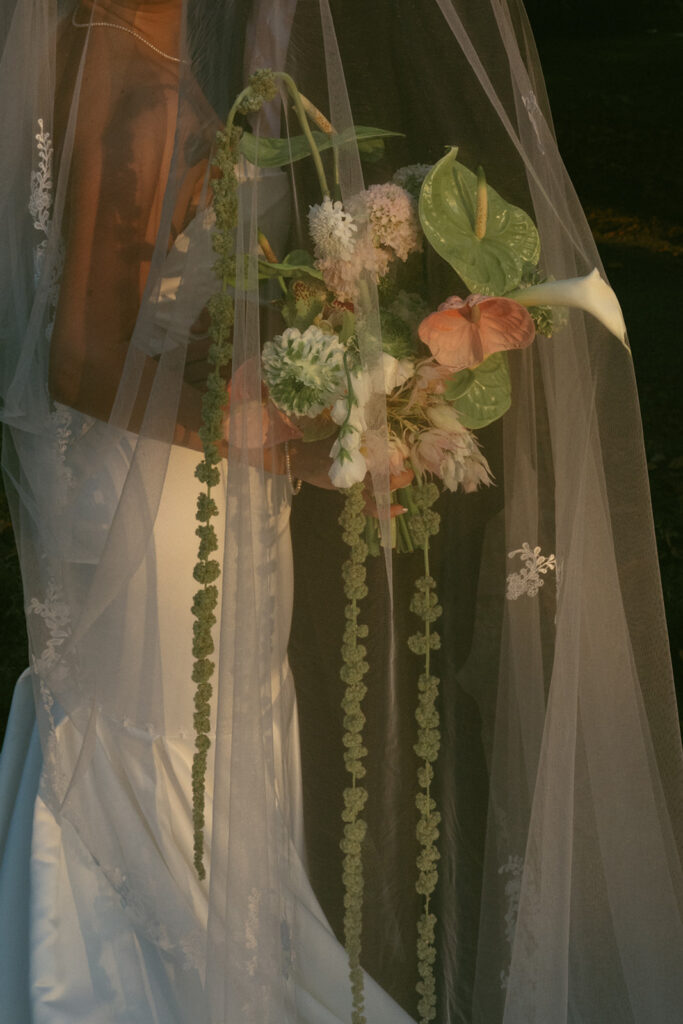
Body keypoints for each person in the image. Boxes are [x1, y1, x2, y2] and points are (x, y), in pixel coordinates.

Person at [1, 1, 682, 1022]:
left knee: (222, 747)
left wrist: (336, 389)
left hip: (210, 479)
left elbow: (178, 310)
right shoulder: (127, 75)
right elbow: (86, 359)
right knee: (154, 754)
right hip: (153, 501)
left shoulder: (167, 40)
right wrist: (278, 425)